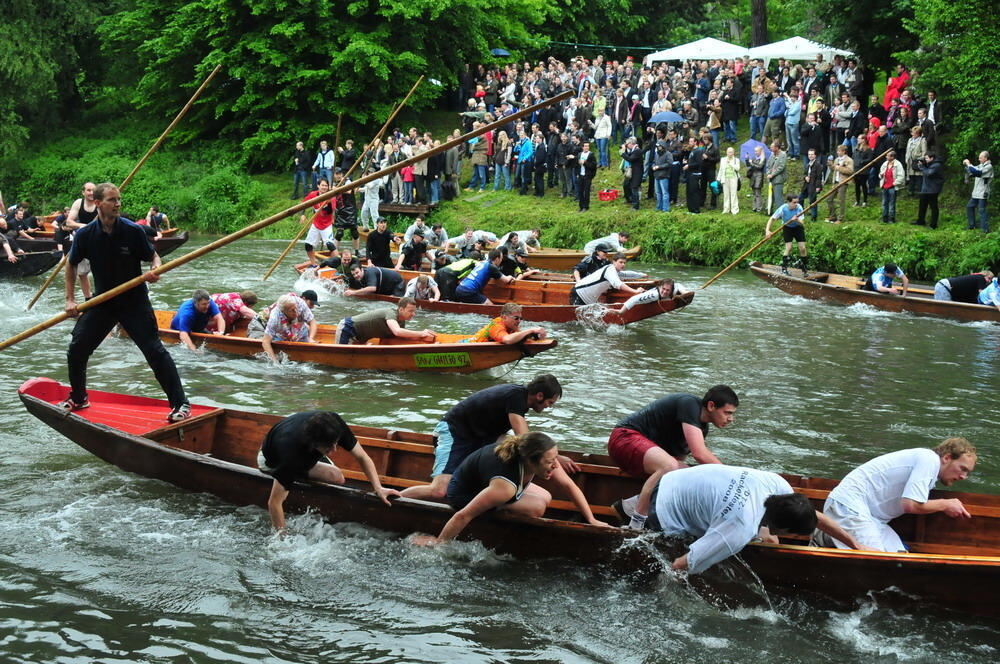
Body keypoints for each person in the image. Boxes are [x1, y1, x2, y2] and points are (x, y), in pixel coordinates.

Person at [63, 182, 191, 422]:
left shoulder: (133, 231)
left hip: (134, 301)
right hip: (103, 300)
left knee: (154, 351)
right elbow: (71, 264)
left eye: (119, 199)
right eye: (112, 200)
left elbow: (153, 256)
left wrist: (155, 269)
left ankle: (180, 404)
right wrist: (70, 300)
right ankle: (79, 398)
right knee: (77, 349)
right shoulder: (85, 234)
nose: (118, 204)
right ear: (98, 203)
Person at [399, 374, 594, 507]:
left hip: (481, 438)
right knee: (439, 491)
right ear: (539, 395)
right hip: (457, 433)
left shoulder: (519, 400)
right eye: (550, 403)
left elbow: (514, 440)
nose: (549, 407)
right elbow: (525, 439)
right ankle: (391, 497)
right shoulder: (516, 397)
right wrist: (558, 458)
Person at [632, 464, 861, 572]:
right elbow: (679, 565)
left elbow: (814, 516)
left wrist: (856, 545)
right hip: (661, 508)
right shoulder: (738, 530)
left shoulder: (777, 485)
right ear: (778, 527)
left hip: (677, 477)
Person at [411, 431, 611, 546]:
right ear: (531, 461)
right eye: (550, 462)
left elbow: (569, 485)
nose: (554, 465)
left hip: (483, 482)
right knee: (537, 507)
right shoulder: (504, 486)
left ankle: (500, 506)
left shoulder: (537, 458)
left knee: (546, 496)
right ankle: (498, 508)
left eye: (554, 459)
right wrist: (439, 542)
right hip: (463, 495)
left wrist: (592, 519)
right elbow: (463, 515)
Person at [820, 438, 977, 552]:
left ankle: (829, 538)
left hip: (872, 519)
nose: (964, 476)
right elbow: (910, 504)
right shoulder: (929, 460)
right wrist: (945, 504)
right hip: (849, 507)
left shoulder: (929, 469)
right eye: (962, 468)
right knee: (878, 563)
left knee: (901, 557)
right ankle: (826, 537)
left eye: (968, 473)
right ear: (947, 458)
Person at [609, 386, 738, 523]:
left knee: (688, 475)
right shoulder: (689, 404)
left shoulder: (702, 429)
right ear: (711, 406)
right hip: (624, 438)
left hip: (644, 457)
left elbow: (678, 465)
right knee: (670, 466)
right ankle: (637, 521)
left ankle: (629, 507)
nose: (731, 419)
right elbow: (699, 453)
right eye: (727, 413)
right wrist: (729, 476)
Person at [259, 411, 400, 531]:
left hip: (299, 451)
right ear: (314, 444)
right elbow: (274, 503)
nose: (334, 450)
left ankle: (295, 476)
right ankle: (291, 479)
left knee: (337, 477)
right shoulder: (292, 454)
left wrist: (378, 488)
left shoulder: (333, 424)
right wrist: (282, 539)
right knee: (289, 478)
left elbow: (362, 457)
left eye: (335, 443)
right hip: (271, 461)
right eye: (328, 447)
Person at [335, 297, 435, 345]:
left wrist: (425, 337)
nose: (413, 314)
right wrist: (421, 333)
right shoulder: (391, 313)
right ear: (401, 309)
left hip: (360, 338)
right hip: (348, 328)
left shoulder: (401, 322)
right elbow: (397, 332)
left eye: (414, 311)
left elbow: (403, 336)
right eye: (411, 311)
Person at [64, 182, 98, 301]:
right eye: (88, 190)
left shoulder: (100, 203)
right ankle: (88, 298)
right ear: (83, 192)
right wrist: (84, 226)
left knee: (102, 270)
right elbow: (69, 222)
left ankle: (102, 295)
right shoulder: (79, 203)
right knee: (82, 273)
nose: (91, 193)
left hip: (98, 241)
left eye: (93, 190)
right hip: (83, 240)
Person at [570, 253, 643, 305]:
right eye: (620, 262)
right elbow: (618, 284)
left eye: (624, 263)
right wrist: (635, 291)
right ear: (614, 262)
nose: (623, 264)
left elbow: (626, 274)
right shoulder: (610, 270)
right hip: (579, 294)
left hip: (589, 300)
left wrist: (641, 275)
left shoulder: (614, 271)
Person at [296, 179, 338, 270]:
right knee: (308, 245)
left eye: (326, 186)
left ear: (328, 187)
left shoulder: (331, 197)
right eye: (322, 185)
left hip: (326, 225)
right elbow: (304, 204)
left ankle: (339, 265)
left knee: (330, 245)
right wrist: (302, 214)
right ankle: (314, 264)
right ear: (318, 186)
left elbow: (331, 211)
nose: (324, 187)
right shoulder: (313, 195)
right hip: (316, 224)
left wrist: (328, 203)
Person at [766, 194, 809, 277]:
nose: (796, 204)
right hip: (787, 227)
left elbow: (803, 223)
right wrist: (767, 230)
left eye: (797, 202)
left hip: (798, 227)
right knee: (789, 248)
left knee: (802, 248)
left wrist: (797, 220)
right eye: (794, 202)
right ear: (789, 202)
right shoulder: (783, 208)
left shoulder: (799, 207)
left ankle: (804, 268)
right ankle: (784, 269)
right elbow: (772, 219)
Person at [248, 290, 318, 339]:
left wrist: (310, 338)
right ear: (303, 299)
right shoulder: (287, 303)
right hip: (259, 325)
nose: (312, 307)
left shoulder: (298, 306)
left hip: (272, 327)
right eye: (311, 303)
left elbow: (311, 322)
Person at [469, 302, 547, 344]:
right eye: (516, 318)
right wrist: (531, 330)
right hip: (471, 346)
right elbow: (507, 340)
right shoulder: (496, 326)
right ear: (504, 317)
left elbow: (526, 339)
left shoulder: (512, 326)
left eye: (520, 318)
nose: (519, 321)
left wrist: (539, 337)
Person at [963, 151, 993, 233]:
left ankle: (985, 230)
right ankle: (972, 226)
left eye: (980, 157)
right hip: (976, 193)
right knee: (969, 207)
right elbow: (973, 169)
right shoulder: (981, 165)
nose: (979, 159)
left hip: (983, 193)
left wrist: (968, 164)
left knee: (981, 210)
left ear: (985, 158)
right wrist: (967, 166)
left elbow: (977, 172)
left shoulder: (989, 166)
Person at [913, 152, 944, 228]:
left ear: (932, 158)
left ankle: (933, 224)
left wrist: (922, 167)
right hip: (925, 188)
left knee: (933, 207)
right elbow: (917, 168)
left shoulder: (937, 165)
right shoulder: (928, 164)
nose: (925, 159)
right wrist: (920, 164)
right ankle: (921, 221)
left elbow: (929, 173)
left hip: (933, 189)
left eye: (926, 158)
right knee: (922, 206)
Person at [826, 145, 854, 224]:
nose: (837, 152)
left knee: (841, 200)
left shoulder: (849, 160)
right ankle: (832, 216)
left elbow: (850, 171)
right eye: (837, 151)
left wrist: (838, 168)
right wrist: (830, 165)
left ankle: (840, 218)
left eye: (839, 151)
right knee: (829, 199)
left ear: (844, 151)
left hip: (843, 182)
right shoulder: (837, 159)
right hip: (836, 182)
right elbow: (833, 169)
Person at [878, 150, 906, 224]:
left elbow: (901, 176)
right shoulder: (885, 164)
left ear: (892, 157)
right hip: (885, 186)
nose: (886, 157)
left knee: (891, 203)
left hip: (892, 187)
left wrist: (894, 183)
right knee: (884, 203)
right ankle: (884, 217)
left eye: (888, 155)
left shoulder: (898, 164)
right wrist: (880, 175)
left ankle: (891, 218)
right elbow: (880, 173)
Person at [765, 141, 787, 212]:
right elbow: (768, 165)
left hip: (778, 179)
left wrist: (772, 174)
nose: (770, 148)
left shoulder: (783, 155)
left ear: (777, 148)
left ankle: (781, 213)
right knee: (771, 196)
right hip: (771, 180)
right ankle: (769, 211)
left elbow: (781, 167)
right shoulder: (772, 155)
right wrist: (768, 173)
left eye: (772, 147)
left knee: (778, 197)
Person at [718, 146, 741, 215]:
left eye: (731, 152)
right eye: (728, 152)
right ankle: (726, 209)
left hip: (733, 178)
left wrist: (730, 163)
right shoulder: (723, 159)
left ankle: (734, 209)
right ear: (726, 152)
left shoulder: (736, 160)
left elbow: (737, 168)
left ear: (733, 153)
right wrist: (718, 179)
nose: (730, 153)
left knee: (733, 194)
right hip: (725, 178)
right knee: (726, 194)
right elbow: (721, 169)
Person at [577, 139, 597, 212]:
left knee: (586, 191)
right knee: (580, 191)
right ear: (582, 147)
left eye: (588, 146)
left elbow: (593, 166)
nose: (586, 147)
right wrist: (577, 173)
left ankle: (586, 206)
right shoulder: (579, 154)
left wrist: (585, 163)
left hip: (587, 176)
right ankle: (581, 206)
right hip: (580, 175)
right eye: (585, 146)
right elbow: (577, 165)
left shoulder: (591, 155)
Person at [745, 145, 767, 213]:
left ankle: (759, 208)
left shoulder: (763, 158)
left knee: (758, 193)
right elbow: (749, 166)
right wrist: (747, 160)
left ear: (760, 151)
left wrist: (752, 163)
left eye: (756, 151)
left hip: (759, 176)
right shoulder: (754, 158)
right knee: (754, 193)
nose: (755, 152)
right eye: (755, 151)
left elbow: (759, 167)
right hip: (753, 176)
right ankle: (754, 207)